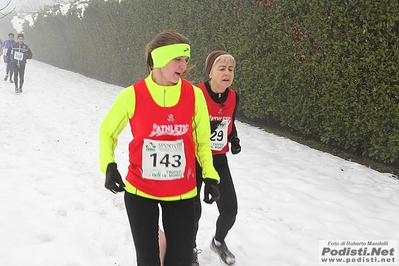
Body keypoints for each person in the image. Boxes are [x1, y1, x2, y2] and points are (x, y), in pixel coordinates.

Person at [99, 30, 221, 266]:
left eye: (185, 60)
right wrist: (109, 165)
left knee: (181, 260)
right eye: (178, 59)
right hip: (140, 191)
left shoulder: (195, 96)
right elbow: (107, 133)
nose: (183, 65)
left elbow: (203, 143)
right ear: (160, 59)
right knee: (148, 261)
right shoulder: (131, 95)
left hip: (182, 192)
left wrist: (210, 175)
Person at [193, 51, 241, 266]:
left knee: (230, 210)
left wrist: (234, 137)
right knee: (192, 211)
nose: (227, 73)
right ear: (210, 72)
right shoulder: (196, 93)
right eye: (221, 68)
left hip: (219, 160)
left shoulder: (233, 96)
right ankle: (189, 248)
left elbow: (229, 120)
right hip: (194, 160)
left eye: (230, 69)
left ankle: (218, 242)